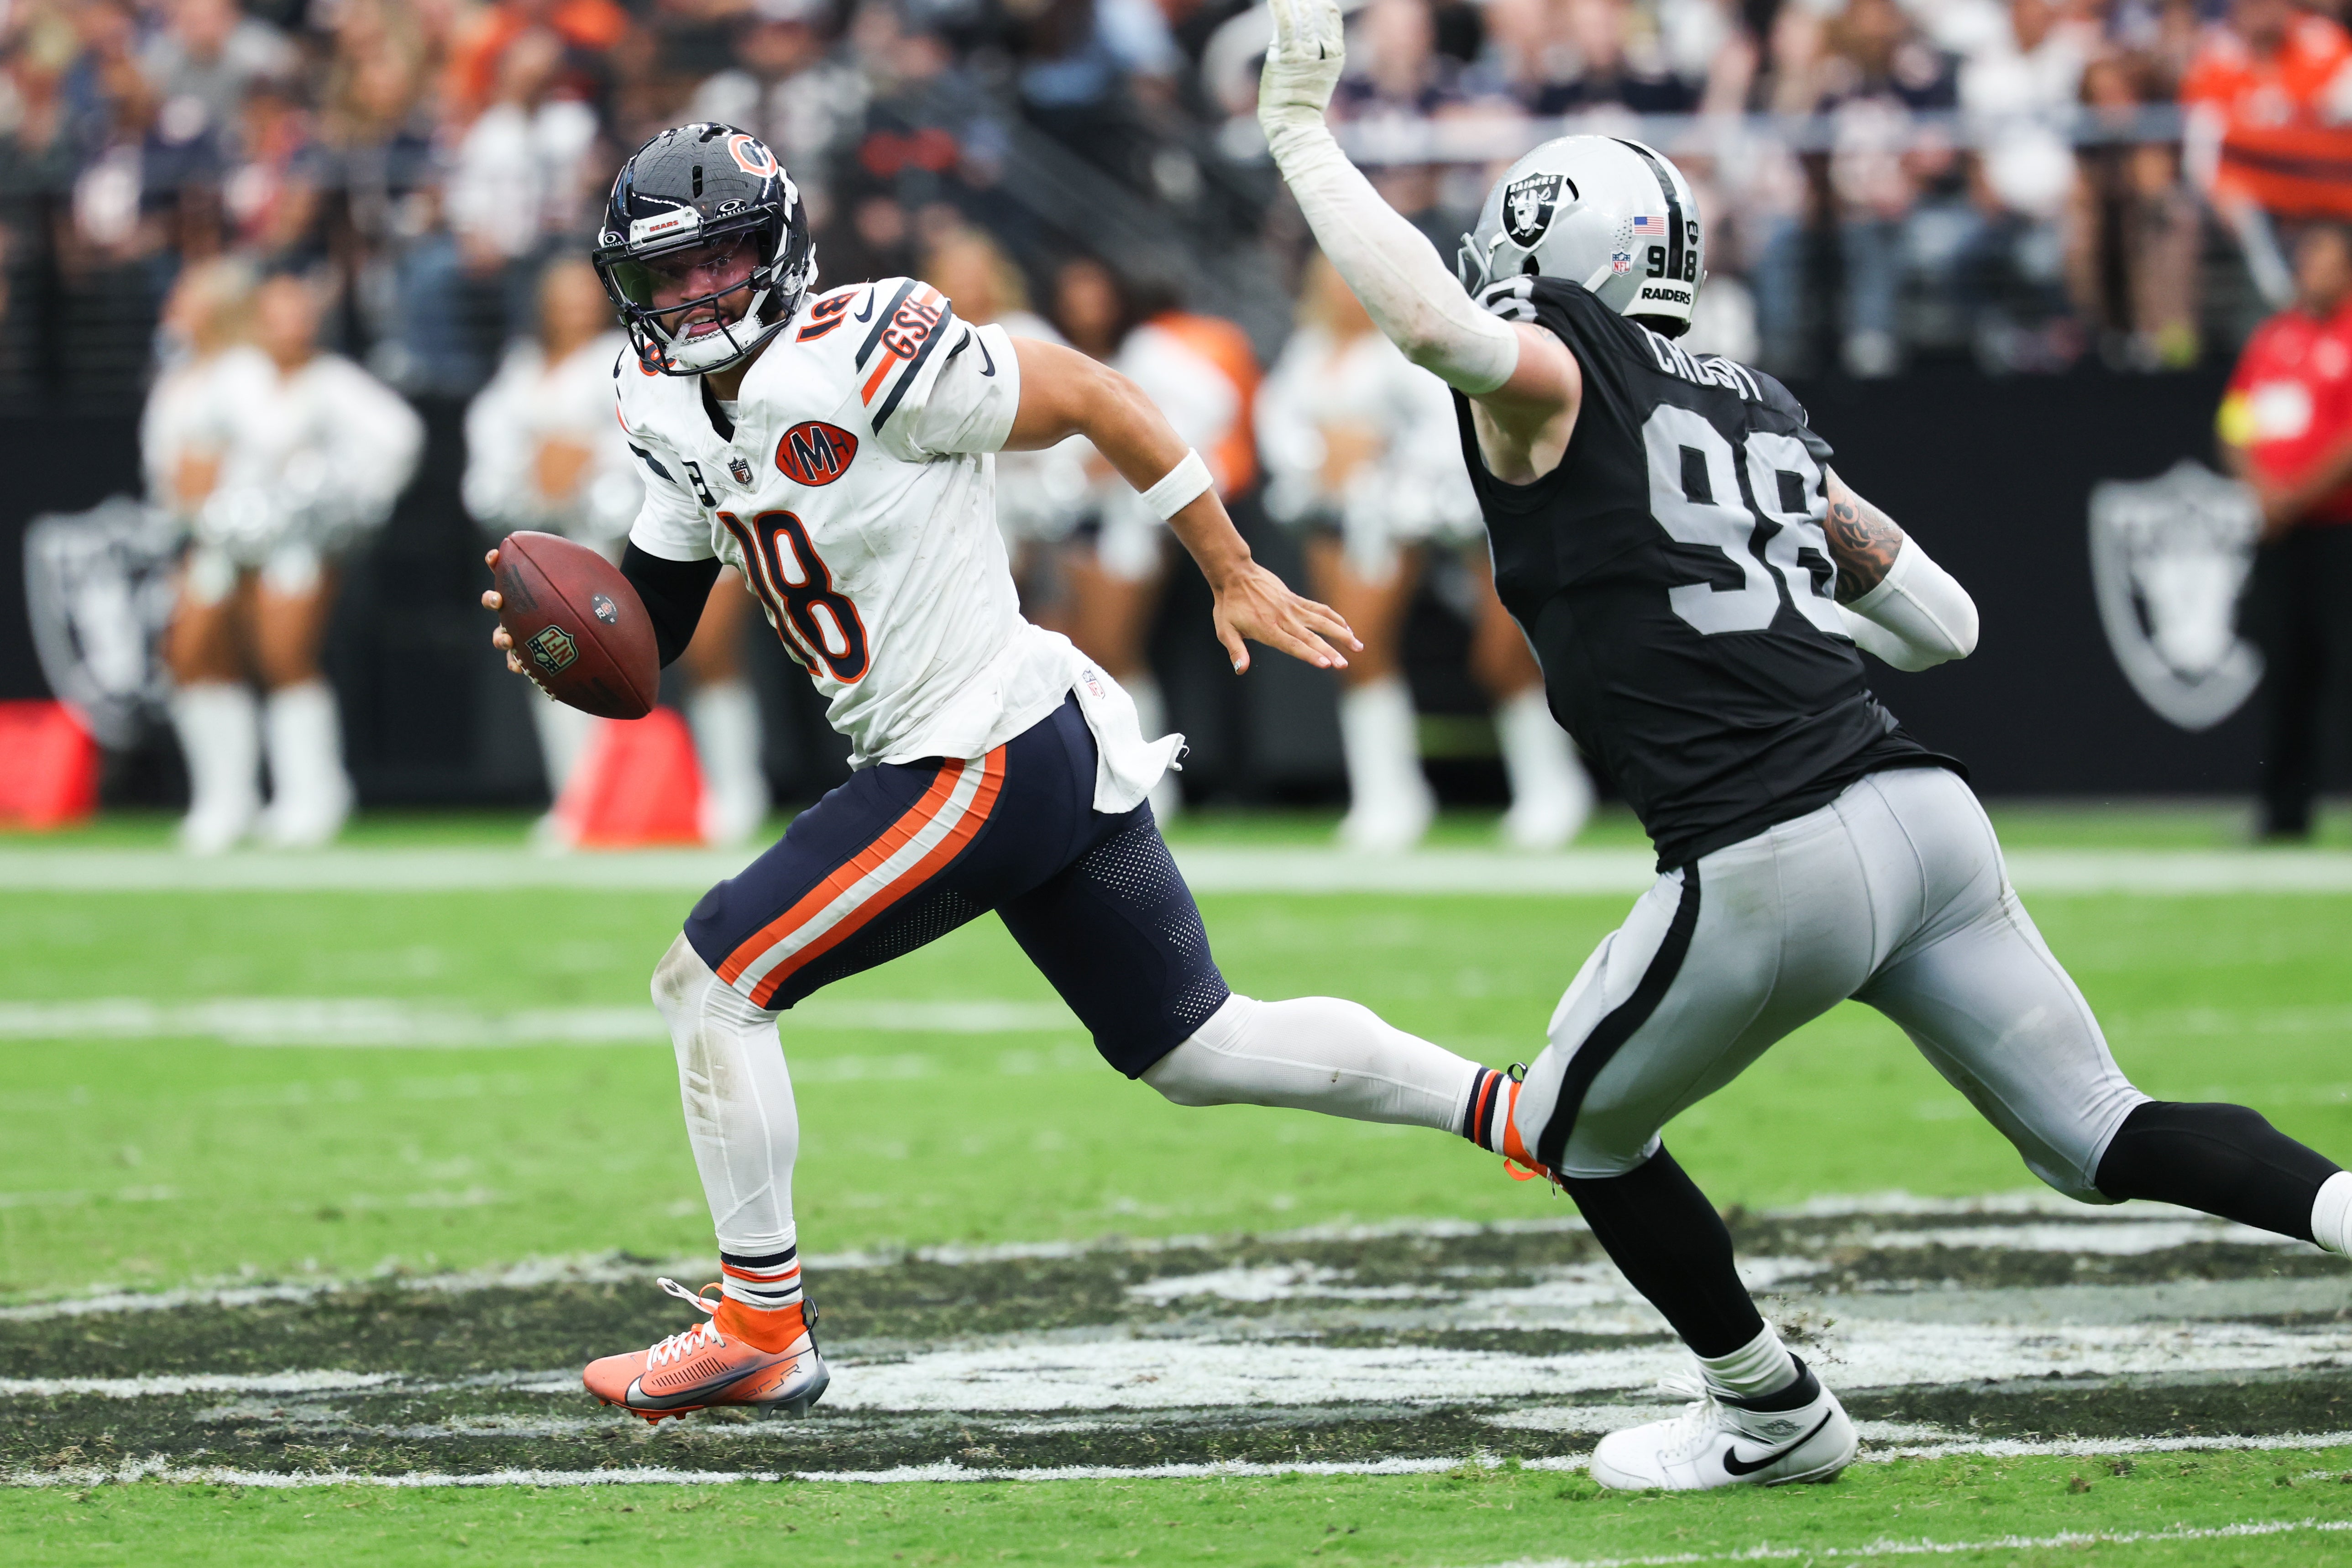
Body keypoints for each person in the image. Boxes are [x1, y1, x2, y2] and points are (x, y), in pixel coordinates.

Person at [1258, 0, 2352, 1493]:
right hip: (1918, 814)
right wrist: (1770, 622)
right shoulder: (1755, 400)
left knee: (1573, 1130)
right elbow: (1947, 625)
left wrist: (1300, 143)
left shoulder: (1562, 379)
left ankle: (1768, 1409)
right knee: (2101, 1129)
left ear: (1558, 256)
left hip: (1769, 845)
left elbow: (1437, 328)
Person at [478, 123, 1544, 1422]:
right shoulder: (653, 400)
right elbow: (659, 601)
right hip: (1004, 743)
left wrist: (1229, 564)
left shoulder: (870, 347)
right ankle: (1515, 1109)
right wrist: (570, 644)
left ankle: (762, 1323)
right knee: (1195, 1045)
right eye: (667, 277)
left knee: (713, 977)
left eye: (723, 262)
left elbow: (1097, 396)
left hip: (976, 745)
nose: (698, 296)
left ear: (781, 249)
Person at [1257, 252, 1592, 852]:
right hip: (1341, 519)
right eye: (1330, 283)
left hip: (1452, 515)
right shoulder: (1306, 353)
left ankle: (1554, 790)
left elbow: (1448, 432)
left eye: (1352, 281)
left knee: (1500, 656)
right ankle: (1387, 796)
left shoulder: (1408, 349)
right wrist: (1319, 463)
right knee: (1352, 648)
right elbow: (1278, 428)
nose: (1342, 295)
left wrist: (1378, 463)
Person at [464, 258, 772, 846]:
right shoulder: (519, 374)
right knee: (562, 658)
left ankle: (735, 792)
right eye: (561, 295)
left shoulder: (634, 360)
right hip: (569, 547)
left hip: (671, 525)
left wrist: (589, 463)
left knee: (710, 653)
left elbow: (656, 437)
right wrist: (535, 474)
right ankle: (579, 801)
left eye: (583, 295)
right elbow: (486, 466)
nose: (573, 306)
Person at [161, 269, 422, 853]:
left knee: (284, 656)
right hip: (223, 537)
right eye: (276, 314)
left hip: (295, 542)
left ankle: (314, 795)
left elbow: (399, 439)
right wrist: (203, 502)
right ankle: (224, 800)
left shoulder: (331, 382)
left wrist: (340, 503)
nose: (288, 326)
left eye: (300, 314)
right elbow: (191, 444)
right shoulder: (231, 379)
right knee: (194, 654)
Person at [2221, 221, 2352, 842]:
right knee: (2286, 669)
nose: (2310, 271)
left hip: (2338, 532)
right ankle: (2284, 809)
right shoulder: (2274, 338)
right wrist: (2261, 491)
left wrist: (2295, 495)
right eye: (2306, 259)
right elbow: (2235, 419)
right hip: (2277, 535)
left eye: (2324, 259)